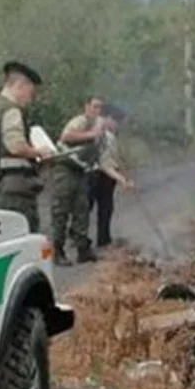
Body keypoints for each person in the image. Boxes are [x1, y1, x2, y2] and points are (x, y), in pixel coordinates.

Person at [0, 61, 55, 233]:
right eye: (30, 93)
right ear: (20, 85)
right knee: (23, 236)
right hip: (15, 190)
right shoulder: (11, 110)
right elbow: (15, 146)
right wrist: (39, 152)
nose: (31, 99)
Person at [49, 96, 106, 266]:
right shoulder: (80, 121)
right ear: (87, 106)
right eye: (95, 106)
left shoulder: (97, 125)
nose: (97, 111)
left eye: (100, 108)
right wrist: (92, 134)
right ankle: (57, 251)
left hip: (80, 171)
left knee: (82, 210)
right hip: (65, 169)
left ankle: (83, 249)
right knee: (61, 210)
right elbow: (66, 136)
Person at [89, 106, 134, 248]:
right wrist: (122, 180)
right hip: (97, 175)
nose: (118, 125)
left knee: (107, 208)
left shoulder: (111, 136)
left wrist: (124, 175)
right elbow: (105, 164)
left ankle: (104, 239)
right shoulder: (102, 135)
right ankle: (84, 242)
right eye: (117, 121)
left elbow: (115, 159)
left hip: (107, 175)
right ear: (108, 118)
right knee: (91, 208)